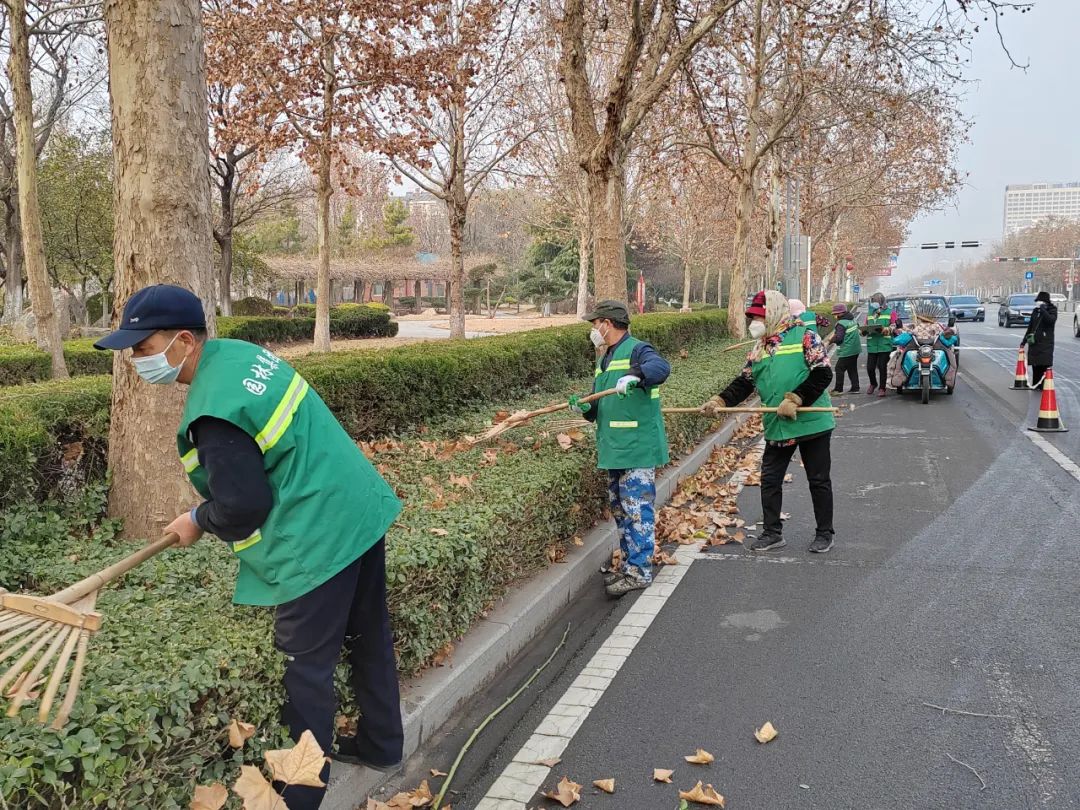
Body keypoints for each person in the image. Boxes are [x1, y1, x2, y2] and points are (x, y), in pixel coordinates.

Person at [94, 285, 403, 810]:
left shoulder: (215, 411)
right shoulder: (239, 356)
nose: (135, 360)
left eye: (143, 348)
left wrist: (197, 519)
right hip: (356, 508)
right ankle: (382, 745)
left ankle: (298, 798)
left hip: (318, 533)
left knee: (303, 670)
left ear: (183, 340)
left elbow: (243, 507)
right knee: (368, 632)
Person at [707, 290, 836, 554]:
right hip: (778, 424)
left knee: (818, 479)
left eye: (759, 317)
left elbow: (823, 373)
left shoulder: (805, 336)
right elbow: (745, 382)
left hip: (811, 422)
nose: (754, 323)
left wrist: (797, 398)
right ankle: (772, 533)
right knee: (770, 479)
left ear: (774, 314)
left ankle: (825, 533)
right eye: (753, 318)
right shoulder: (760, 348)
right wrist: (720, 400)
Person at [569, 300, 671, 597]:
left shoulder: (638, 350)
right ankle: (629, 566)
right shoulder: (604, 359)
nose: (593, 330)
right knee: (622, 511)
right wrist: (584, 407)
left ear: (608, 323)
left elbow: (661, 368)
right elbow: (597, 405)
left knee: (637, 511)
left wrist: (636, 375)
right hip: (615, 449)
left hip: (637, 447)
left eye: (595, 324)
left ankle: (639, 572)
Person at [862, 292, 900, 397]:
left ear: (882, 302)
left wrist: (884, 329)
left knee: (882, 367)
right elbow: (865, 325)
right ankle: (873, 383)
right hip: (872, 344)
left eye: (876, 301)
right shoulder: (870, 313)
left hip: (884, 344)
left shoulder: (890, 312)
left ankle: (882, 388)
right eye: (873, 301)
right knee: (870, 367)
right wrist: (863, 331)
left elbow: (894, 327)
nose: (874, 303)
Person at [1023, 291, 1057, 389]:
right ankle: (1036, 385)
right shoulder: (1035, 311)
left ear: (1045, 301)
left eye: (1040, 301)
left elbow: (1051, 320)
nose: (1038, 303)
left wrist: (1043, 310)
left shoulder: (1052, 310)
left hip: (1046, 343)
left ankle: (1043, 385)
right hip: (1035, 343)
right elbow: (1030, 327)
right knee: (1035, 364)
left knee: (1044, 364)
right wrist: (1024, 341)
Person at [827, 303, 861, 394]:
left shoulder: (841, 324)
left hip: (847, 350)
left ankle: (838, 389)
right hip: (856, 349)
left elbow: (839, 338)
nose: (835, 316)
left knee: (839, 368)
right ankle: (855, 388)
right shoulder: (853, 319)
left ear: (840, 313)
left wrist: (831, 340)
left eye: (835, 314)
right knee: (852, 368)